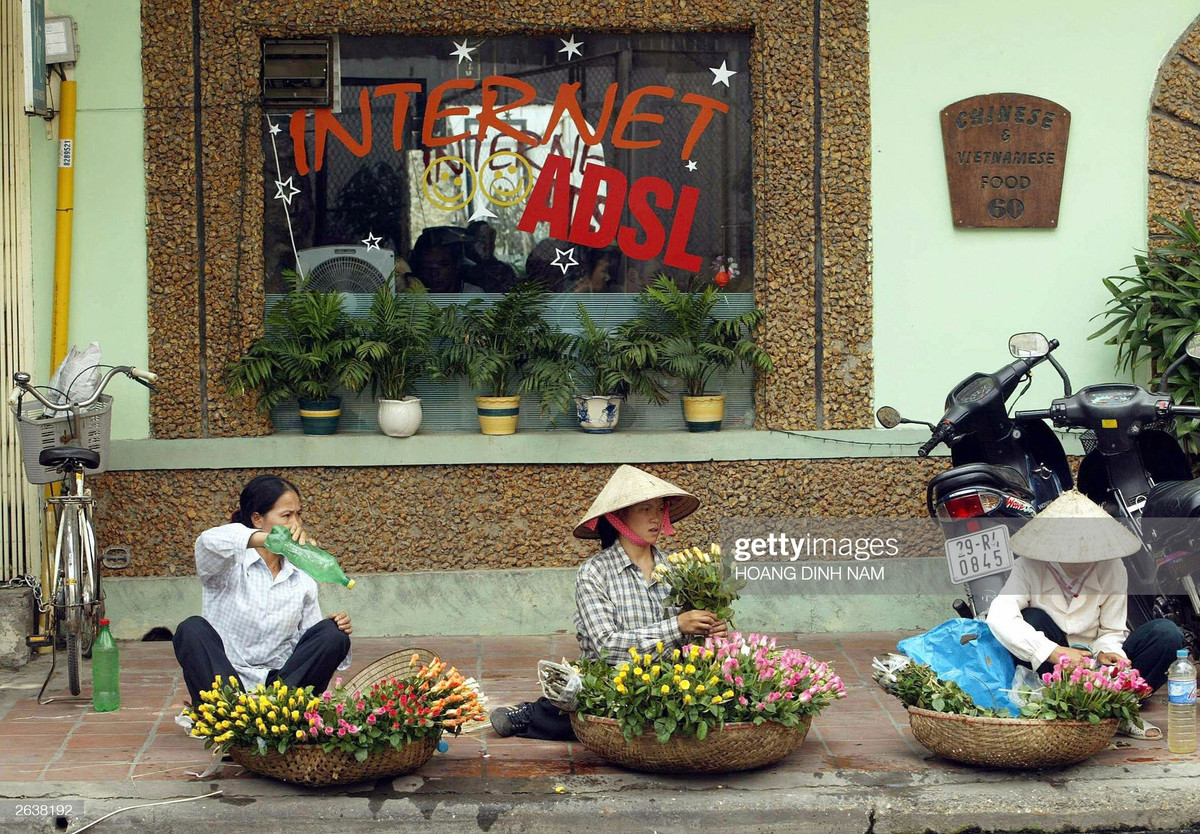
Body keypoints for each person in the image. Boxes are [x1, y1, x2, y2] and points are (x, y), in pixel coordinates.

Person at [489, 464, 727, 739]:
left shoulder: (677, 570)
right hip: (614, 680)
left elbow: (690, 642)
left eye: (660, 508)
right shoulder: (594, 573)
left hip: (669, 684)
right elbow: (607, 648)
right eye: (645, 509)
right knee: (593, 707)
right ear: (618, 517)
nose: (656, 518)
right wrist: (677, 626)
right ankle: (533, 715)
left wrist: (710, 632)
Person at [986, 489, 1183, 738]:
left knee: (1167, 634)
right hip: (1049, 667)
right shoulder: (1028, 565)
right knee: (1033, 617)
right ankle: (1060, 707)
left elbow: (1112, 629)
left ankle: (1119, 708)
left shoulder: (1112, 567)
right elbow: (999, 615)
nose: (1080, 559)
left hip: (1094, 668)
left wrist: (1106, 653)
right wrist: (1054, 652)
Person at [172, 474, 353, 705]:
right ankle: (230, 713)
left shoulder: (302, 575)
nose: (296, 524)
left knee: (331, 634)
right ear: (257, 519)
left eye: (299, 515)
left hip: (280, 686)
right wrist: (268, 540)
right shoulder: (228, 565)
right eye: (286, 516)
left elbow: (308, 645)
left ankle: (277, 713)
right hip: (226, 683)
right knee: (191, 629)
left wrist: (333, 626)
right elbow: (208, 541)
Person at [463, 220, 518, 293]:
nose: (488, 245)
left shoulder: (503, 269)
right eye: (482, 239)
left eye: (491, 240)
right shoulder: (464, 271)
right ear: (471, 243)